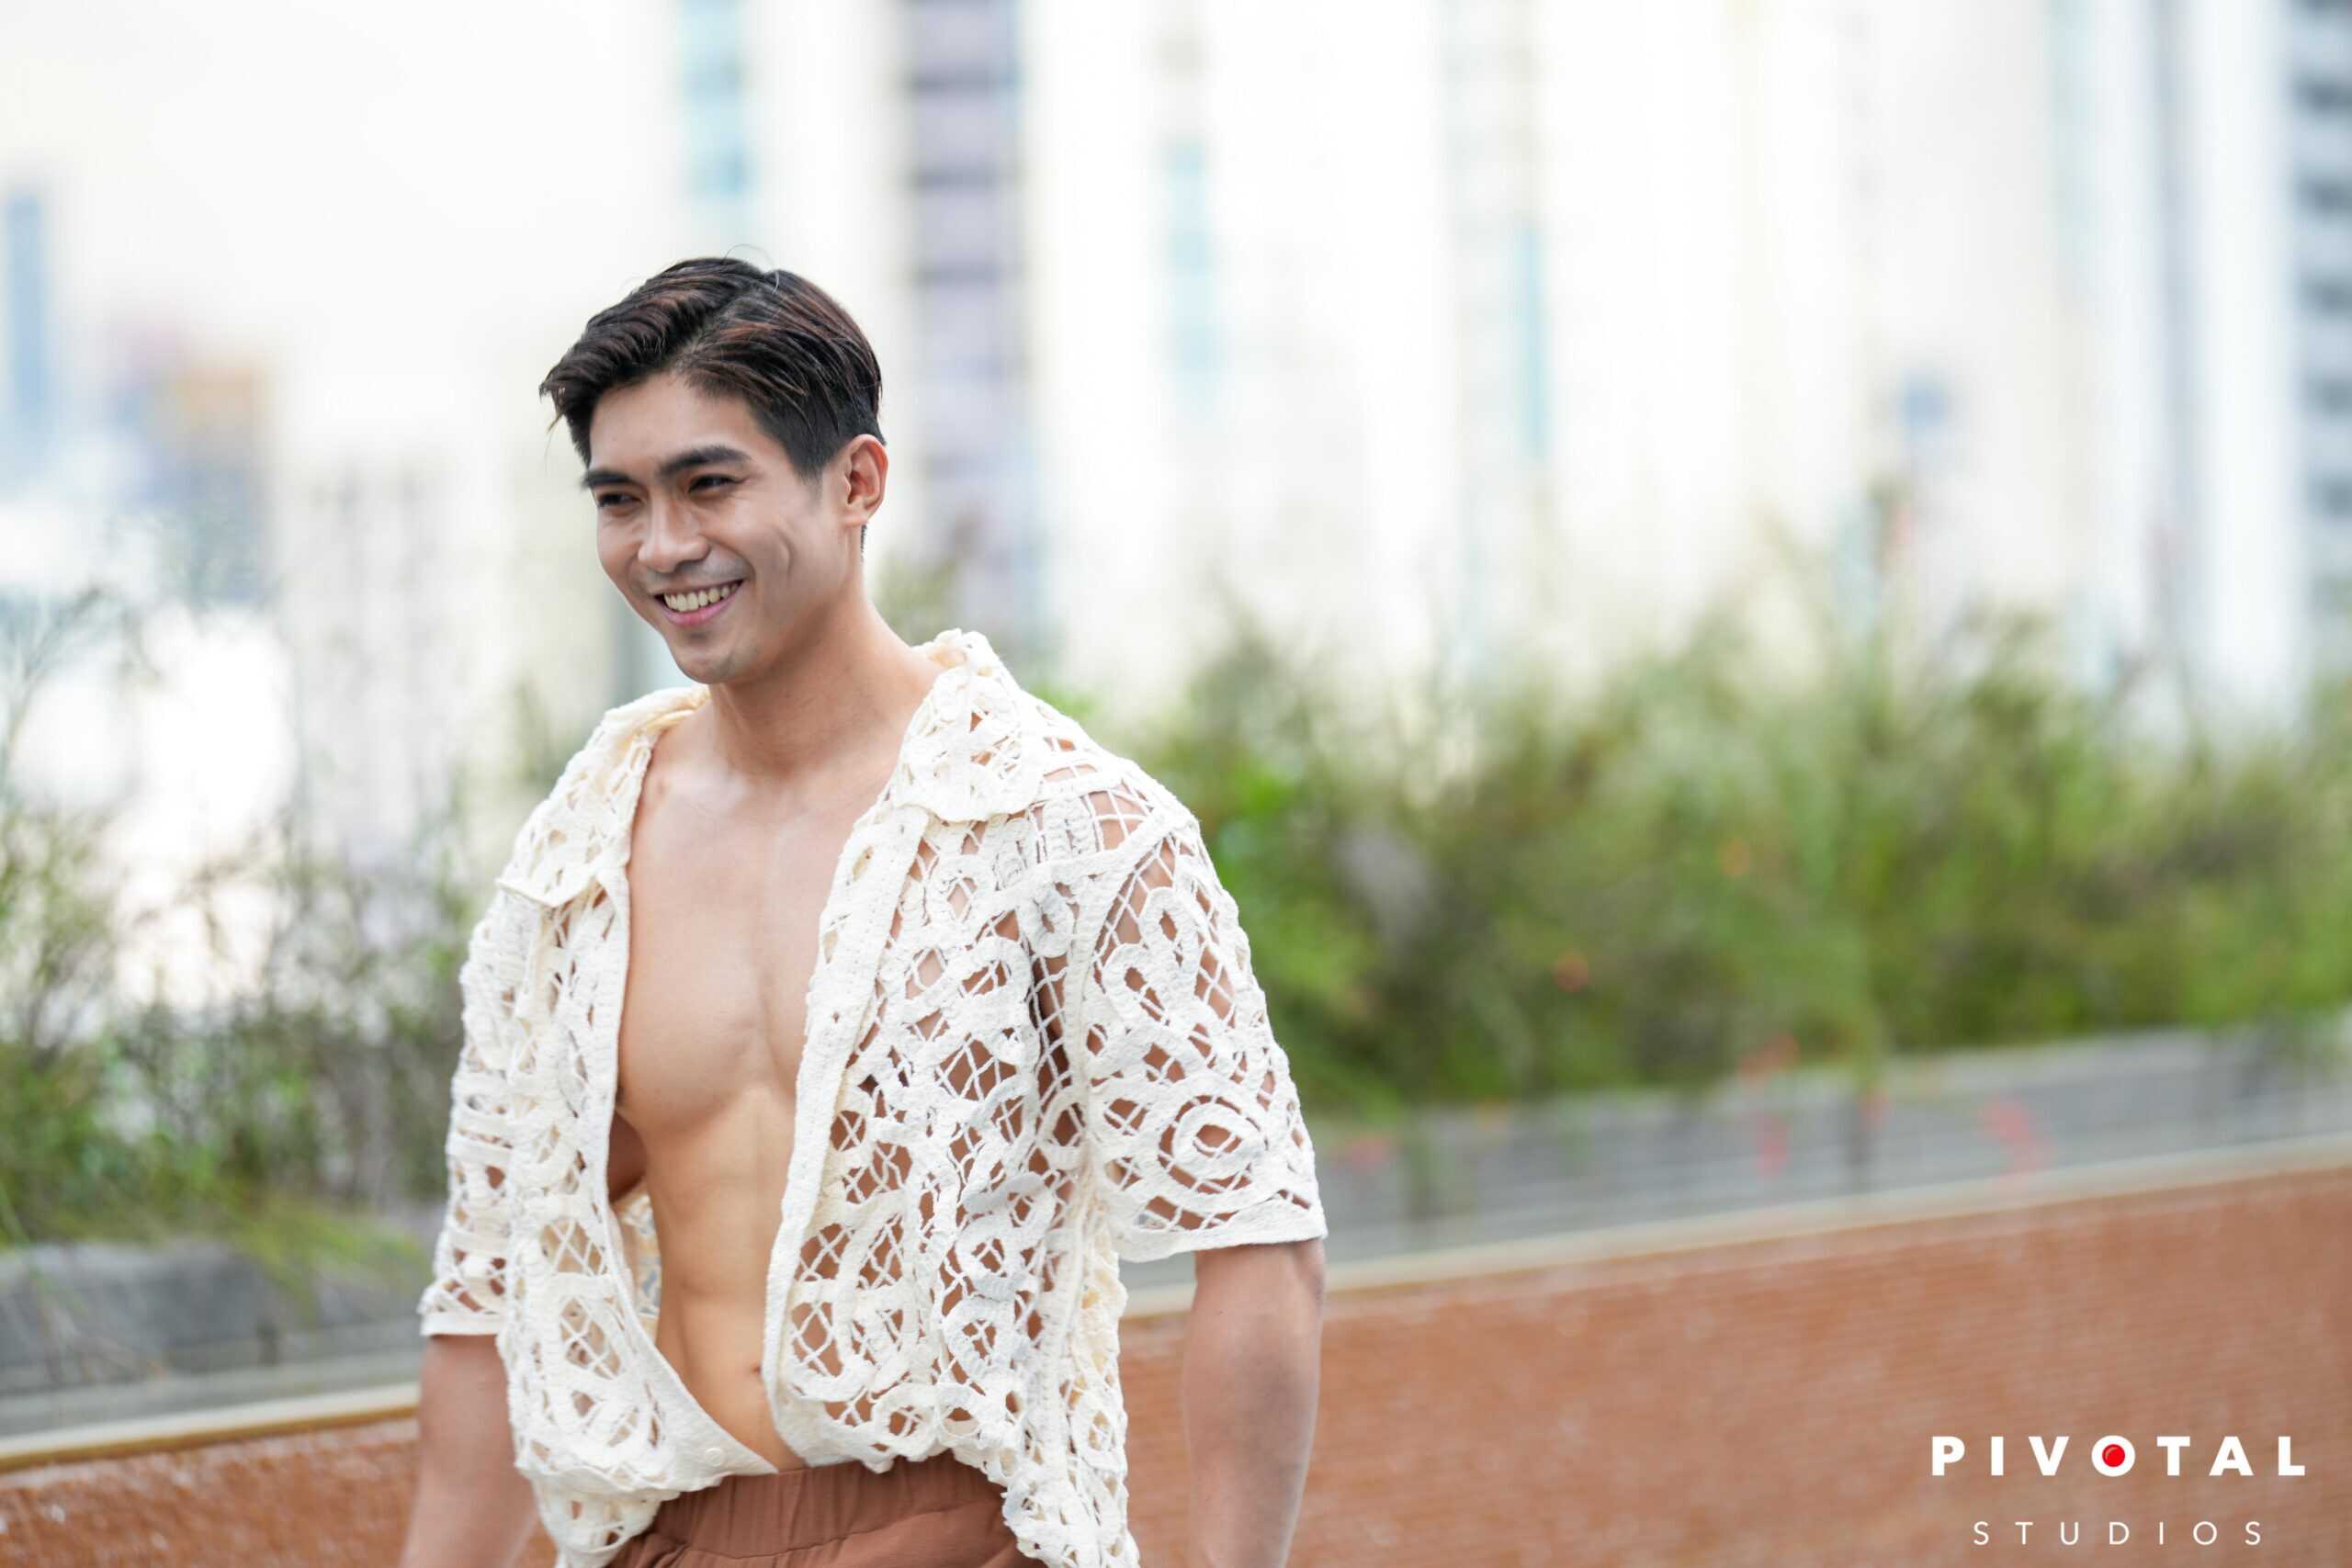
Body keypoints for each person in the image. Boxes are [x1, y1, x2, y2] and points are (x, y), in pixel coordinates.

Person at [395, 259, 1329, 1568]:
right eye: (621, 499)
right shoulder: (578, 864)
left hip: (964, 1537)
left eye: (709, 484)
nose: (662, 546)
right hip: (671, 1541)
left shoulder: (1069, 831)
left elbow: (1255, 1243)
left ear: (858, 484)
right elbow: (494, 1293)